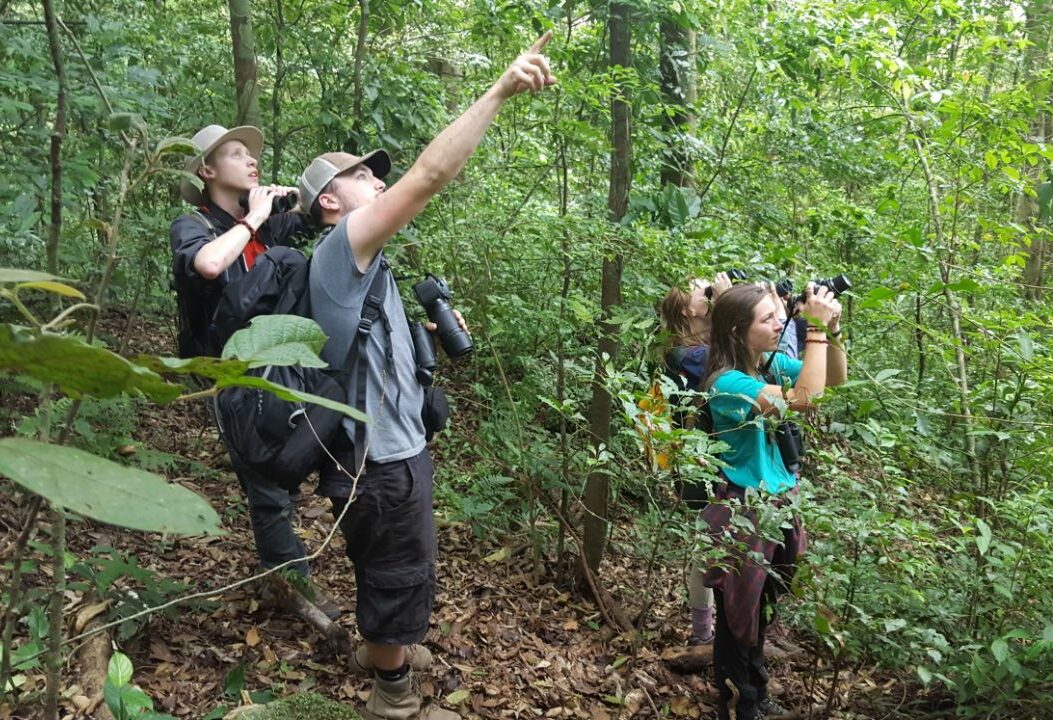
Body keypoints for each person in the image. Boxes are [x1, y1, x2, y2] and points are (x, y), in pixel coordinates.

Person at [298, 32, 555, 720]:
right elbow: (430, 176)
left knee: (397, 569)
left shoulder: (366, 264)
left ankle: (382, 648)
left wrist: (422, 343)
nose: (378, 182)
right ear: (329, 200)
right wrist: (498, 89)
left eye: (377, 175)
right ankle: (392, 694)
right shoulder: (339, 246)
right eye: (362, 177)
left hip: (393, 452)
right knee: (397, 573)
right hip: (376, 462)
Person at [169, 124, 339, 619]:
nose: (251, 161)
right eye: (237, 154)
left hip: (285, 360)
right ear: (207, 171)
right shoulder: (194, 223)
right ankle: (293, 585)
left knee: (312, 452)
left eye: (251, 154)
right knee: (266, 484)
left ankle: (290, 569)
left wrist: (302, 200)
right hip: (235, 373)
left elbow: (322, 219)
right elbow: (206, 265)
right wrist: (255, 217)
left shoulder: (268, 227)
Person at [700, 283, 847, 720]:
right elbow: (806, 400)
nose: (780, 322)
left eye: (777, 314)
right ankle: (736, 699)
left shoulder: (769, 367)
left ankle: (756, 688)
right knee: (737, 608)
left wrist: (832, 332)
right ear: (736, 330)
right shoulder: (728, 384)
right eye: (767, 319)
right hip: (744, 507)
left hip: (780, 501)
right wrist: (814, 329)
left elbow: (832, 381)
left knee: (766, 601)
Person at [659, 272, 732, 645]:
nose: (710, 295)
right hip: (697, 464)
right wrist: (731, 306)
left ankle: (732, 625)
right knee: (708, 546)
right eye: (703, 293)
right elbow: (729, 363)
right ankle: (703, 634)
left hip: (721, 458)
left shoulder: (705, 348)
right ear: (688, 311)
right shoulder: (684, 355)